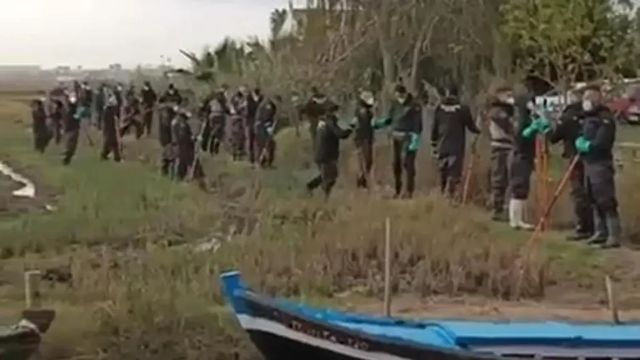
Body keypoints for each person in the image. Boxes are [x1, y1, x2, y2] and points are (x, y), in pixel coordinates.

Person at [574, 85, 621, 249]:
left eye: (589, 98)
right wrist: (579, 141)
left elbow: (603, 141)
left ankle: (613, 234)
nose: (586, 101)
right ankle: (600, 231)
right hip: (588, 162)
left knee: (605, 199)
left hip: (601, 163)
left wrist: (589, 146)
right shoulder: (587, 118)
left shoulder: (605, 118)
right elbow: (582, 133)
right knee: (592, 197)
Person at [549, 90, 594, 241]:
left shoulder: (568, 116)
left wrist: (547, 128)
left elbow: (554, 137)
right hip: (591, 157)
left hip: (574, 156)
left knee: (578, 192)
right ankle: (594, 226)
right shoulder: (590, 114)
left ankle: (582, 227)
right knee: (590, 191)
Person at [373, 84, 423, 198]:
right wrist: (380, 124)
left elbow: (418, 123)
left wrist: (416, 138)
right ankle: (397, 189)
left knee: (408, 163)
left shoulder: (414, 105)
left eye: (399, 95)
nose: (398, 98)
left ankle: (409, 190)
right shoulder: (394, 104)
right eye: (396, 96)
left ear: (404, 93)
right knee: (396, 164)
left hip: (409, 137)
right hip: (395, 136)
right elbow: (390, 119)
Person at [430, 86, 480, 198]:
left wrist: (433, 143)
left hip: (442, 145)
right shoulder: (462, 109)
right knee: (454, 172)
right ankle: (451, 195)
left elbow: (434, 127)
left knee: (443, 170)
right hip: (456, 147)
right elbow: (471, 126)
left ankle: (443, 192)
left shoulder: (439, 108)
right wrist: (479, 131)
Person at [306, 103, 352, 198]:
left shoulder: (322, 121)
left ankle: (311, 187)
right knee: (330, 177)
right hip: (327, 154)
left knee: (327, 175)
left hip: (320, 153)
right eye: (337, 111)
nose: (338, 114)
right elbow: (339, 134)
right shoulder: (330, 122)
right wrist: (350, 130)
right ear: (332, 112)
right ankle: (323, 196)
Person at [487, 86, 516, 221]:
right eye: (507, 95)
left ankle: (507, 208)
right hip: (499, 146)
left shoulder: (510, 111)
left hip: (510, 146)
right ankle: (496, 208)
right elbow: (508, 125)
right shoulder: (496, 111)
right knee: (499, 178)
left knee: (511, 178)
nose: (510, 97)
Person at [171, 109, 206, 188]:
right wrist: (195, 138)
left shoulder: (175, 123)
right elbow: (184, 136)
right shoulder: (181, 124)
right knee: (187, 163)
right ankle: (198, 180)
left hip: (181, 146)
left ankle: (198, 180)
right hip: (184, 146)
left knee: (185, 163)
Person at [352, 90, 375, 189]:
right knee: (365, 159)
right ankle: (361, 178)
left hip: (366, 137)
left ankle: (362, 178)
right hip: (362, 137)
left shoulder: (367, 110)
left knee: (366, 160)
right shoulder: (361, 110)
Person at [255, 94, 278, 168]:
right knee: (266, 145)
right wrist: (269, 127)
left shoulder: (268, 105)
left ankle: (263, 162)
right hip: (263, 127)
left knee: (265, 145)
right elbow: (266, 117)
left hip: (262, 127)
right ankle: (263, 162)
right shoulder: (269, 106)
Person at [100, 88, 122, 162]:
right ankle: (116, 158)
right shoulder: (108, 111)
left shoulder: (108, 110)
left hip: (109, 129)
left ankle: (106, 155)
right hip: (110, 129)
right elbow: (109, 121)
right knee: (112, 143)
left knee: (110, 143)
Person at [62, 92, 81, 165]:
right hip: (72, 127)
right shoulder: (70, 109)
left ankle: (68, 155)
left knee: (70, 143)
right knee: (71, 143)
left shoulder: (71, 108)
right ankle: (67, 156)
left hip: (71, 127)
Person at [159, 103, 177, 176]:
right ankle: (168, 172)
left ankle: (166, 171)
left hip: (166, 140)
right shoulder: (166, 120)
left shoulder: (166, 120)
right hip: (167, 140)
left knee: (167, 156)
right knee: (170, 157)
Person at [230, 90, 248, 160]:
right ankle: (235, 154)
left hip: (237, 120)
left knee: (238, 137)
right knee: (237, 136)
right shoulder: (234, 102)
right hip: (236, 120)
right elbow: (236, 110)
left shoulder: (234, 101)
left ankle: (236, 153)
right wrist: (243, 106)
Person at [246, 87, 263, 163]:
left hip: (258, 121)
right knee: (251, 140)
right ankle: (251, 158)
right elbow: (249, 110)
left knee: (258, 140)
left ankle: (258, 158)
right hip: (251, 120)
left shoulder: (261, 99)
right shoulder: (249, 99)